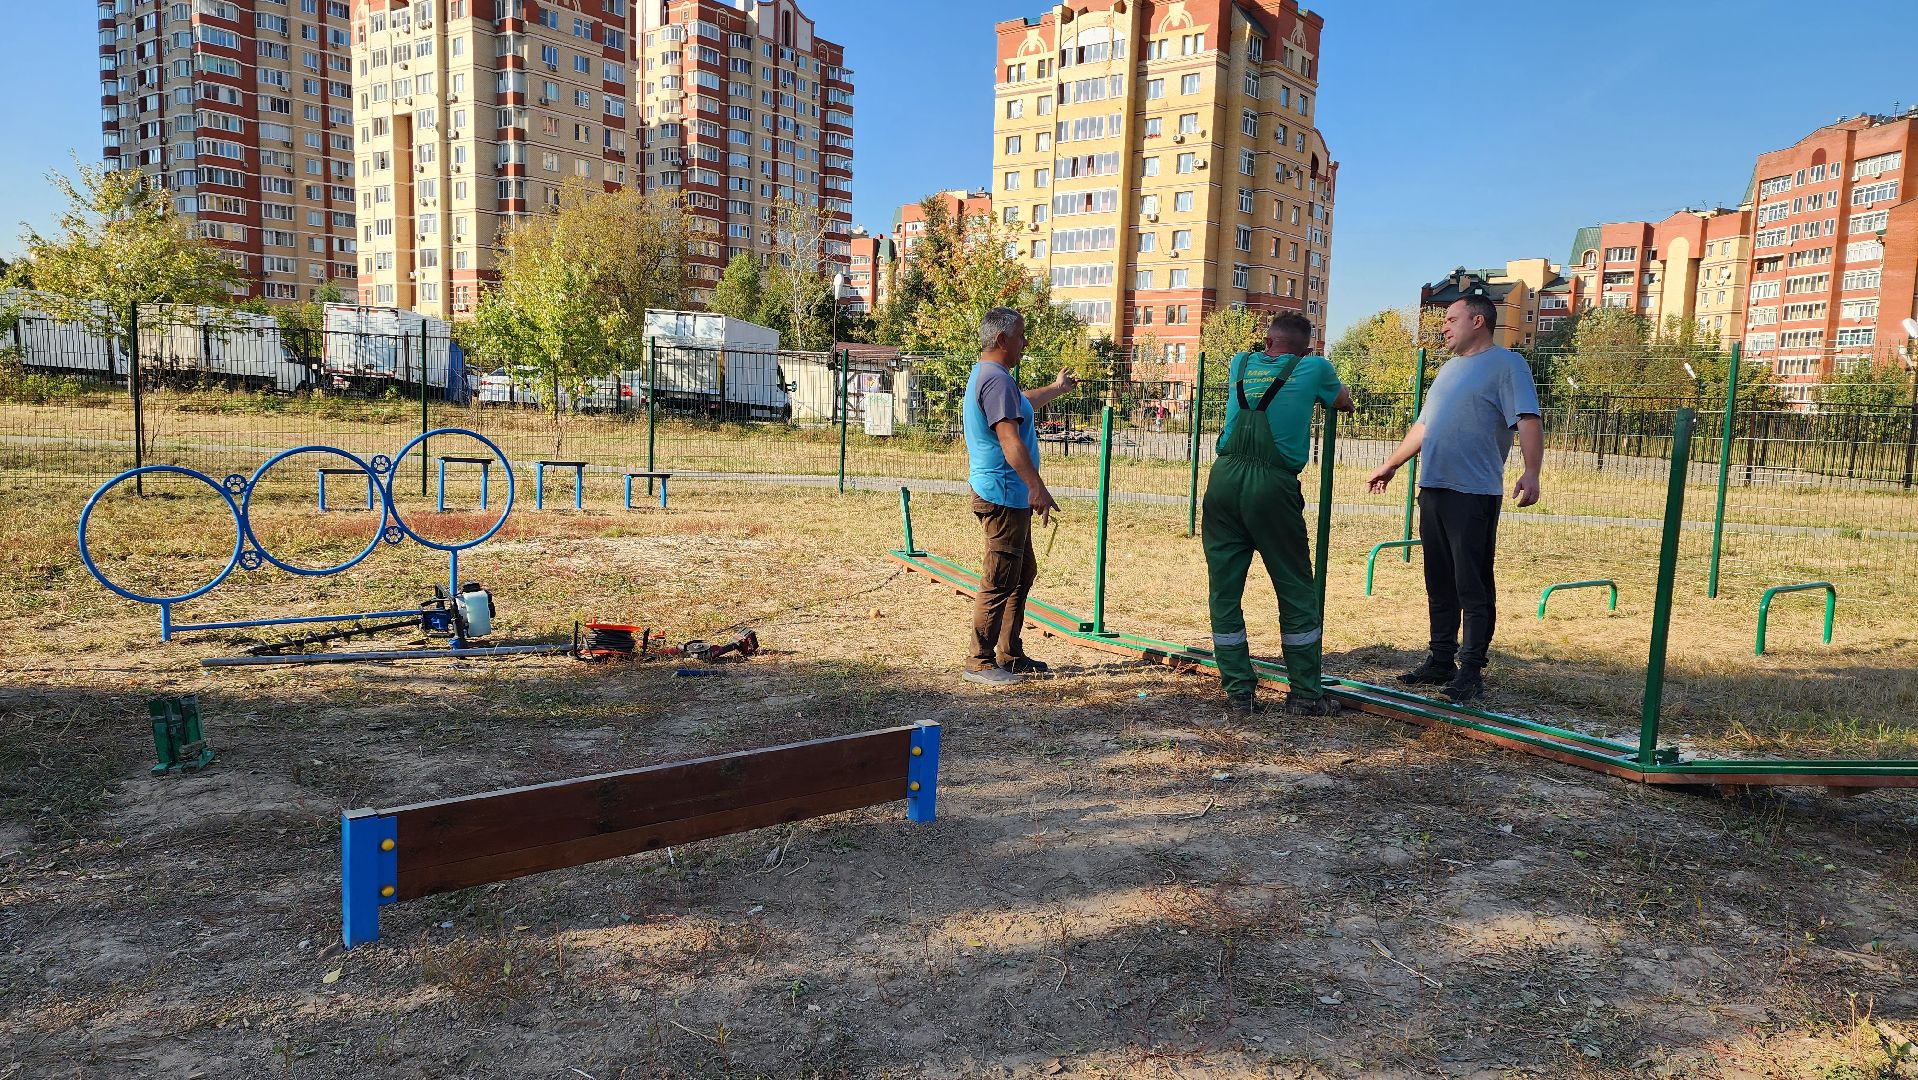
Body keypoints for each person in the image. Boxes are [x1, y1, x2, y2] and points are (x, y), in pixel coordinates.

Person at [1365, 294, 1543, 703]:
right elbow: (1424, 426)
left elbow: (1528, 419)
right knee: (1439, 580)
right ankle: (1441, 660)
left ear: (1478, 321)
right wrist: (1391, 465)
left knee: (1471, 584)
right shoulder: (1447, 370)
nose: (1443, 326)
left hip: (1473, 493)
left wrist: (1532, 471)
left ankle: (1471, 671)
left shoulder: (1508, 364)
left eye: (1450, 318)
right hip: (1433, 488)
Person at [1203, 312, 1355, 715]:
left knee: (1224, 590)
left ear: (1267, 342)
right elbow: (1343, 402)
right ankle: (1305, 694)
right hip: (1272, 485)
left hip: (1222, 480)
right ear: (1306, 350)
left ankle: (1239, 690)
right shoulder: (1315, 368)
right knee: (1295, 587)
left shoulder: (1240, 363)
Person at [960, 307, 1078, 686]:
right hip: (1003, 494)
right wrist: (1035, 486)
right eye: (1021, 335)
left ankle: (1009, 654)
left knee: (1022, 571)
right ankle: (980, 661)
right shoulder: (996, 381)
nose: (1025, 342)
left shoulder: (993, 377)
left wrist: (1057, 388)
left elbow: (1022, 402)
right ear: (1001, 339)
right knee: (1000, 577)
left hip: (1007, 494)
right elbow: (1010, 441)